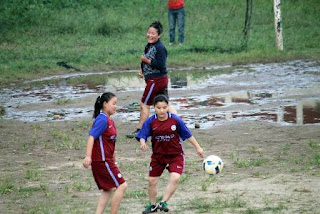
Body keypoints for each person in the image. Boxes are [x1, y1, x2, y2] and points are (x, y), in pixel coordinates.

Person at [136, 94, 204, 213]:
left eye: (164, 107)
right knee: (152, 181)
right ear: (154, 108)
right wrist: (142, 142)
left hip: (175, 155)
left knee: (175, 178)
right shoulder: (151, 121)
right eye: (159, 108)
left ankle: (163, 202)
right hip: (158, 156)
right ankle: (152, 205)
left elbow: (188, 134)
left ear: (168, 107)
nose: (162, 110)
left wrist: (198, 147)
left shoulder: (175, 120)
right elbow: (143, 134)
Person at [83, 92, 127, 214]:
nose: (115, 106)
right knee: (122, 185)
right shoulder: (102, 119)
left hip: (107, 160)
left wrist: (115, 161)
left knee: (107, 189)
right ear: (105, 104)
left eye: (116, 104)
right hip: (102, 161)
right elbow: (91, 136)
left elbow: (111, 144)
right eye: (113, 103)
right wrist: (88, 156)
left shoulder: (109, 121)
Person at [131, 21, 176, 137]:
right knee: (166, 104)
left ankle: (141, 130)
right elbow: (147, 60)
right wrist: (143, 70)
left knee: (144, 104)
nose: (150, 35)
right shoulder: (150, 45)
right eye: (149, 32)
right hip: (158, 80)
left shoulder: (160, 48)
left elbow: (160, 65)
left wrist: (145, 61)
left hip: (156, 81)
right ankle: (178, 124)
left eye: (153, 33)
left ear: (159, 35)